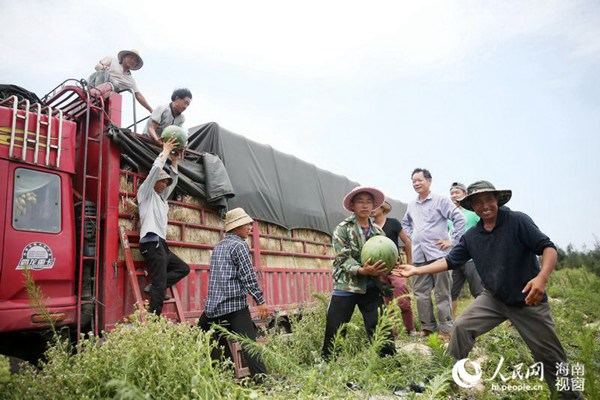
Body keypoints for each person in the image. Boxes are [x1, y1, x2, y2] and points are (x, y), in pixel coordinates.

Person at [395, 181, 583, 399]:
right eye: (477, 202)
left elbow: (548, 248)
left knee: (551, 356)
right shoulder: (472, 236)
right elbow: (450, 261)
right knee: (462, 327)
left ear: (497, 200)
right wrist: (416, 271)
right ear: (472, 207)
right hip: (493, 298)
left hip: (528, 300)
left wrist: (541, 278)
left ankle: (569, 397)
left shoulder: (517, 221)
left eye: (488, 200)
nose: (484, 205)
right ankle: (446, 376)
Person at [321, 186, 396, 360]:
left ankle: (389, 363)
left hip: (371, 285)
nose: (365, 205)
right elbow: (342, 258)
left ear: (374, 206)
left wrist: (390, 265)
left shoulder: (378, 232)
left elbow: (386, 255)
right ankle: (329, 365)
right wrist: (361, 270)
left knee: (380, 327)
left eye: (369, 202)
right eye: (360, 202)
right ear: (353, 205)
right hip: (346, 285)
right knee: (336, 329)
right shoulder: (343, 228)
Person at [198, 208, 269, 379]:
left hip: (214, 307)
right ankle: (262, 381)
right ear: (236, 227)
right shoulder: (240, 246)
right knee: (249, 345)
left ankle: (224, 376)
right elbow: (248, 276)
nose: (250, 227)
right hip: (235, 305)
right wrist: (260, 300)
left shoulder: (217, 247)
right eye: (246, 224)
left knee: (205, 334)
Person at [401, 168, 465, 340]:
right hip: (419, 256)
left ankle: (446, 329)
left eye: (419, 180)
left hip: (439, 255)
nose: (416, 183)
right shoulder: (411, 205)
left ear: (429, 181)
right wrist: (412, 235)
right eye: (413, 181)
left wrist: (453, 242)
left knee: (442, 293)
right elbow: (405, 223)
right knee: (421, 293)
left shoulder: (441, 201)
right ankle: (427, 327)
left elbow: (459, 219)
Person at [137, 137, 190, 315]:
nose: (163, 184)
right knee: (160, 284)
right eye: (161, 181)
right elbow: (154, 171)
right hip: (151, 243)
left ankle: (156, 287)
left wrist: (174, 162)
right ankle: (154, 320)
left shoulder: (162, 199)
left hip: (162, 245)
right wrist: (165, 152)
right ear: (153, 182)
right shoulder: (145, 194)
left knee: (183, 268)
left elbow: (173, 181)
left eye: (164, 182)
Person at [371, 201, 416, 335]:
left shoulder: (393, 223)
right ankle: (393, 332)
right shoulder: (370, 227)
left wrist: (410, 262)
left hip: (395, 268)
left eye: (375, 206)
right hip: (379, 269)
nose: (372, 209)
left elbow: (407, 241)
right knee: (387, 301)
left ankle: (410, 329)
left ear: (383, 208)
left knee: (403, 298)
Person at [448, 182, 483, 319]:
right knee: (451, 292)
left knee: (478, 291)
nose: (454, 195)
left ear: (465, 194)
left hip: (472, 258)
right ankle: (451, 321)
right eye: (452, 193)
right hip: (455, 258)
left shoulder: (473, 213)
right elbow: (449, 235)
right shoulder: (450, 215)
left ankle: (481, 319)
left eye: (457, 192)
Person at [89, 49, 153, 113]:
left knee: (116, 85)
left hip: (108, 95)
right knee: (103, 73)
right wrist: (103, 68)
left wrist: (150, 109)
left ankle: (101, 100)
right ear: (124, 57)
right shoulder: (112, 60)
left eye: (135, 60)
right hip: (93, 85)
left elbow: (138, 95)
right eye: (131, 58)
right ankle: (96, 96)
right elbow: (97, 66)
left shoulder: (130, 81)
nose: (132, 61)